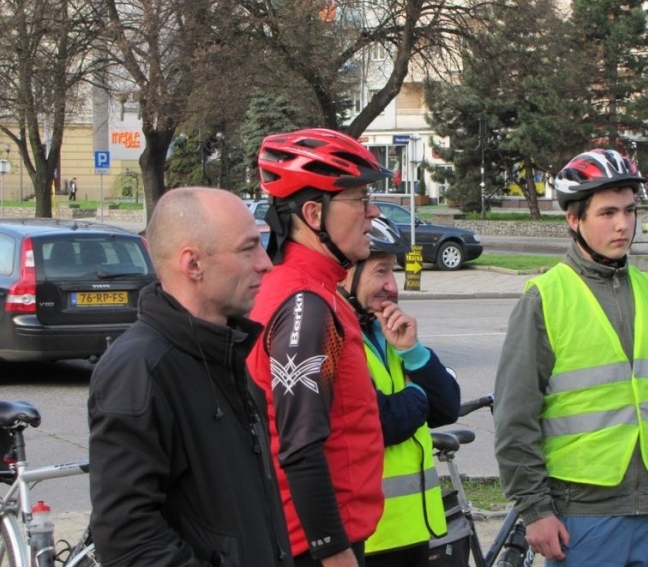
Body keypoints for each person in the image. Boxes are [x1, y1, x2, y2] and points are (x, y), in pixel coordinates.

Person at [493, 149, 648, 567]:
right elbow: (514, 416)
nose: (623, 224)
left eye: (630, 210)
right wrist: (535, 510)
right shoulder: (545, 297)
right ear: (574, 220)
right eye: (607, 213)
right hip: (582, 515)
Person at [88, 187, 292, 567]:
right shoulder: (139, 369)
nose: (266, 263)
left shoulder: (227, 352)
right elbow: (129, 542)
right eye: (248, 248)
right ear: (193, 264)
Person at [247, 128, 390, 567]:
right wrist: (334, 552)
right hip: (314, 547)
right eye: (360, 199)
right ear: (313, 213)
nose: (373, 211)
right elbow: (300, 445)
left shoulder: (306, 290)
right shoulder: (305, 305)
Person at [339, 217, 461, 567]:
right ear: (345, 272)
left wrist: (413, 352)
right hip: (369, 539)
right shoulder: (335, 336)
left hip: (414, 529)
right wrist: (418, 396)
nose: (392, 286)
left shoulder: (386, 330)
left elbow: (448, 407)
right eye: (380, 271)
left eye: (392, 273)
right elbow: (383, 422)